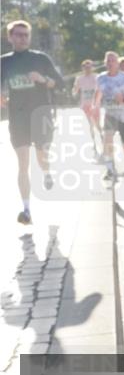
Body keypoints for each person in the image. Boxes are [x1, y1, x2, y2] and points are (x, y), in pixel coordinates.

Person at [1, 20, 61, 224]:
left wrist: (42, 79)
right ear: (10, 37)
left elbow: (60, 83)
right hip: (18, 118)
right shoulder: (4, 62)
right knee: (23, 163)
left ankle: (47, 172)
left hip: (40, 116)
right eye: (18, 34)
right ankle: (26, 210)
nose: (23, 38)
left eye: (26, 35)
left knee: (42, 155)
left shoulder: (40, 58)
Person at [94, 51, 124, 193]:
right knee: (107, 139)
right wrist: (95, 107)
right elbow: (98, 93)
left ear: (117, 63)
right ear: (104, 63)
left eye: (112, 61)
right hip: (110, 115)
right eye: (107, 61)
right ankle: (109, 169)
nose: (110, 63)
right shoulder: (101, 78)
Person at [73, 59, 101, 154]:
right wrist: (74, 89)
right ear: (82, 68)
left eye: (89, 67)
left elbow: (101, 88)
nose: (87, 69)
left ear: (92, 68)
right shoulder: (79, 78)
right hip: (85, 104)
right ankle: (94, 143)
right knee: (90, 124)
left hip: (95, 104)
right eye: (85, 67)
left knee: (97, 124)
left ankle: (102, 138)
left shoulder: (97, 77)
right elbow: (75, 90)